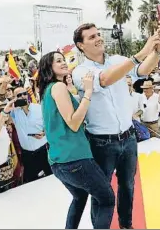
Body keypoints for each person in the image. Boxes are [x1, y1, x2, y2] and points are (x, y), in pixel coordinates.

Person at [72, 19, 160, 229]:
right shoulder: (80, 71)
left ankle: (126, 225)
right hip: (101, 143)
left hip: (128, 138)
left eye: (98, 34)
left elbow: (142, 70)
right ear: (81, 45)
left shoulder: (117, 59)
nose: (98, 38)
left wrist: (158, 51)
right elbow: (105, 79)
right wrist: (139, 54)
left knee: (128, 186)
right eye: (92, 37)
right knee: (102, 192)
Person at [38, 51, 115, 229]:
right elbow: (73, 122)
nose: (64, 62)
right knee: (107, 200)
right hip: (75, 158)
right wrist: (88, 91)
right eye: (58, 61)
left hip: (58, 162)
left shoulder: (47, 91)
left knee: (79, 197)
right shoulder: (58, 87)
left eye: (63, 59)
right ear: (49, 68)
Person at [5, 87, 52, 183]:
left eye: (24, 93)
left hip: (43, 150)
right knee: (32, 182)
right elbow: (3, 117)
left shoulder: (39, 108)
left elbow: (50, 125)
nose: (23, 96)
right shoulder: (14, 112)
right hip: (27, 154)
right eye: (19, 95)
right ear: (15, 98)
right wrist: (10, 105)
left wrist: (43, 133)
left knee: (51, 178)